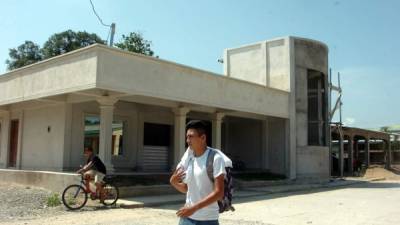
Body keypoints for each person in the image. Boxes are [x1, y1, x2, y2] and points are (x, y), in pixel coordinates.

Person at [170, 120, 226, 225]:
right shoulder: (189, 159)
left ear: (203, 138)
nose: (187, 140)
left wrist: (194, 208)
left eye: (191, 136)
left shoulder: (215, 158)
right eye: (187, 137)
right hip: (187, 218)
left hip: (208, 220)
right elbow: (187, 189)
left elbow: (219, 193)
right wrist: (174, 183)